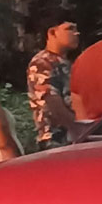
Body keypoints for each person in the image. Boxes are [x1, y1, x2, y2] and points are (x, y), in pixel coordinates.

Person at [26, 16, 79, 149]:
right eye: (69, 29)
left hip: (73, 137)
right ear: (52, 32)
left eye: (76, 29)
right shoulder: (42, 63)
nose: (76, 33)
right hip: (56, 139)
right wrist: (80, 128)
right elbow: (52, 103)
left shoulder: (69, 63)